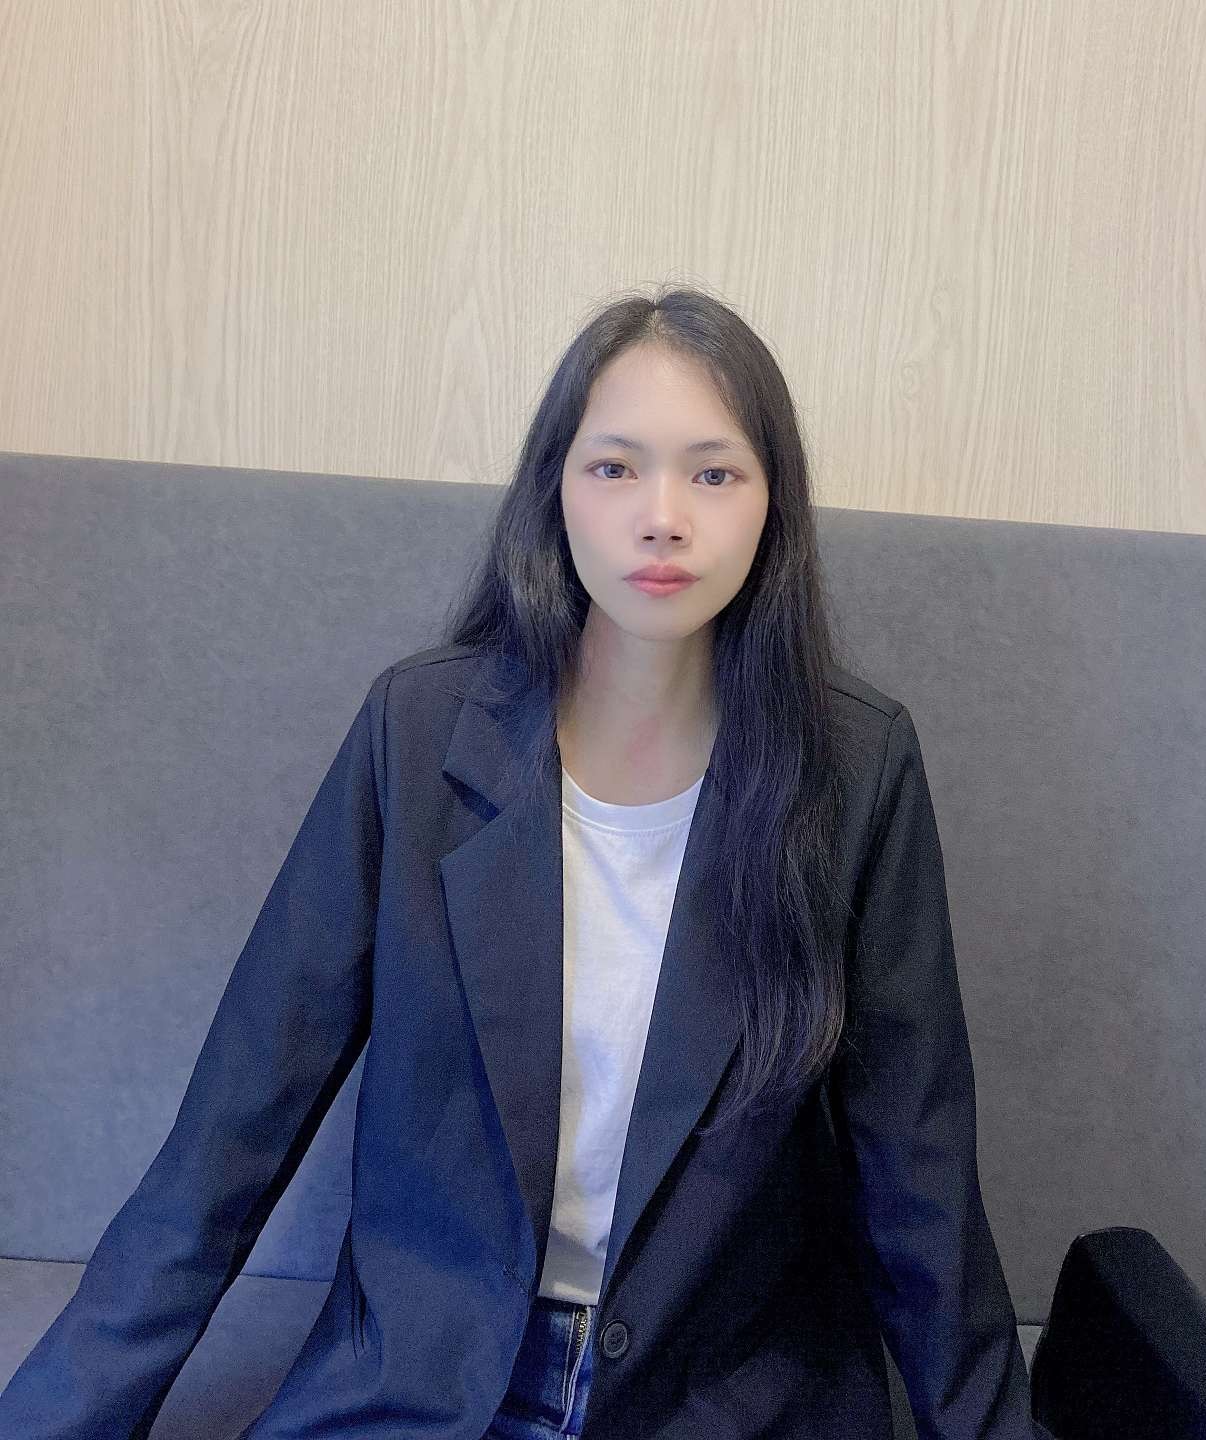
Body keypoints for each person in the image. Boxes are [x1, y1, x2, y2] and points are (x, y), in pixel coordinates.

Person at [0, 284, 1045, 1438]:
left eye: (714, 473)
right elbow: (235, 1126)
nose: (662, 517)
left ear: (773, 506)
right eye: (615, 468)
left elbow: (920, 1176)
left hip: (719, 1400)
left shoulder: (853, 769)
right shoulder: (418, 734)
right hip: (426, 1384)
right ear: (556, 489)